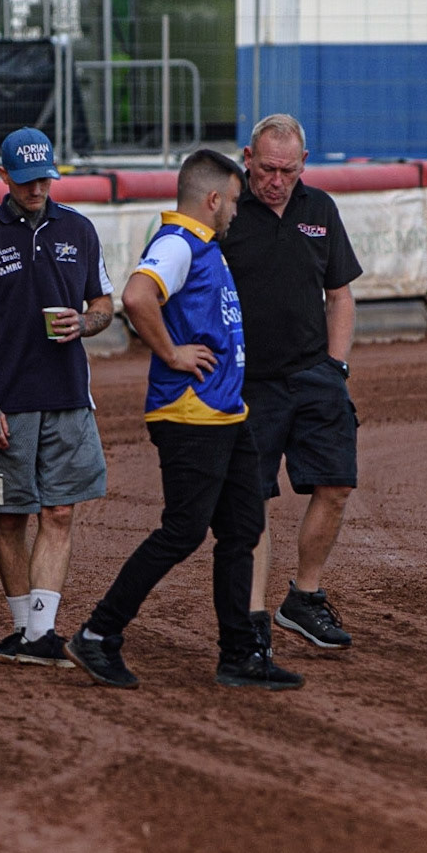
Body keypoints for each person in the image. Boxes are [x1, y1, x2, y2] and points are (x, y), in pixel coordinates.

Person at [65, 149, 302, 691]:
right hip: (191, 413)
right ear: (213, 199)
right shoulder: (177, 244)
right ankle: (99, 634)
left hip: (223, 412)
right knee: (183, 531)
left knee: (242, 529)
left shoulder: (201, 247)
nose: (237, 213)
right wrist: (172, 353)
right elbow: (135, 296)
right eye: (235, 202)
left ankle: (239, 654)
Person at [0, 128, 114, 666]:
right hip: (8, 403)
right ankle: (25, 631)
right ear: (4, 177)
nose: (37, 188)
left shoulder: (80, 230)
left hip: (69, 396)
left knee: (60, 513)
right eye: (26, 181)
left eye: (44, 178)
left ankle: (41, 633)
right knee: (9, 518)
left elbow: (104, 303)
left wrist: (85, 323)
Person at [220, 114, 362, 654]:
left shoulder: (320, 209)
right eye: (268, 168)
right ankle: (253, 621)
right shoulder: (226, 209)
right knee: (251, 499)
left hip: (314, 374)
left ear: (304, 165)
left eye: (289, 170)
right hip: (247, 382)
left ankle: (303, 597)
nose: (277, 181)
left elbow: (340, 294)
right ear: (248, 158)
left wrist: (336, 365)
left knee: (336, 484)